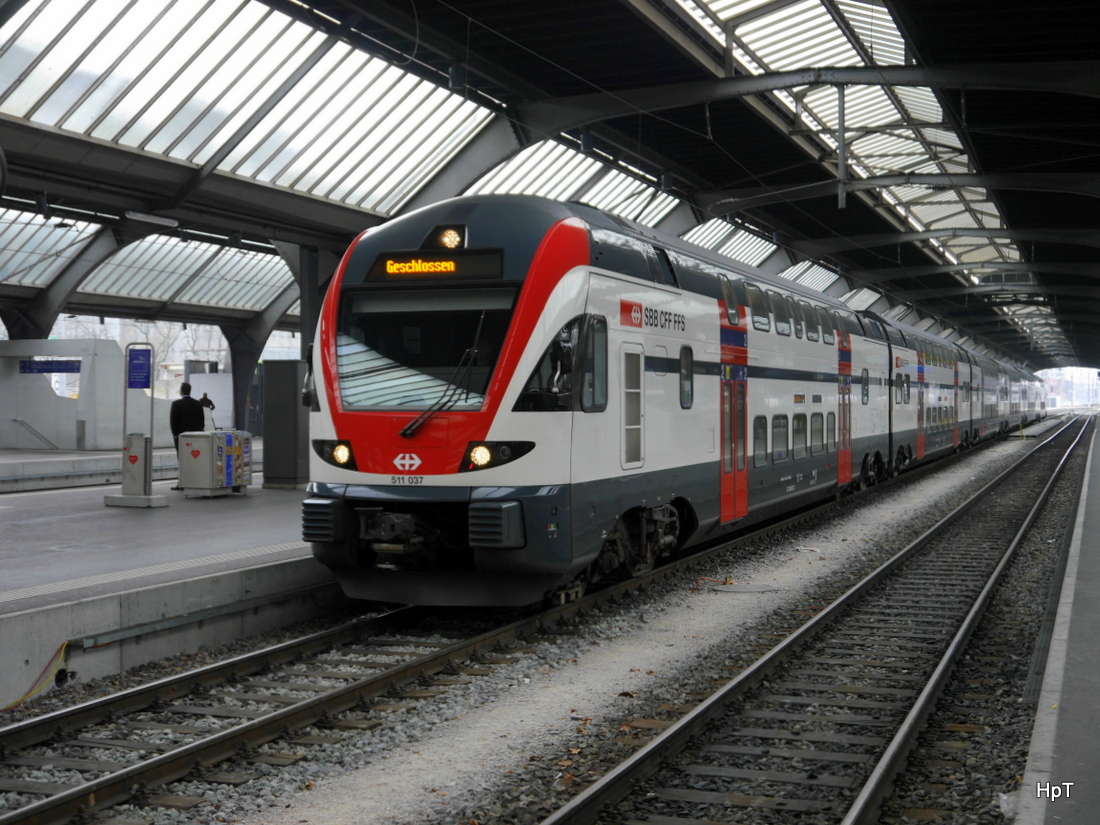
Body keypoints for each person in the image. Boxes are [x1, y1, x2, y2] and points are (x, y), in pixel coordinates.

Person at [170, 382, 205, 491]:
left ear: (181, 392)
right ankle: (196, 481)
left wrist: (175, 435)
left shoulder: (176, 404)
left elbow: (173, 421)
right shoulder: (197, 404)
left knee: (182, 460)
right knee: (195, 459)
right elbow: (202, 421)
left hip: (181, 437)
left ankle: (182, 483)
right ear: (190, 391)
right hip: (196, 437)